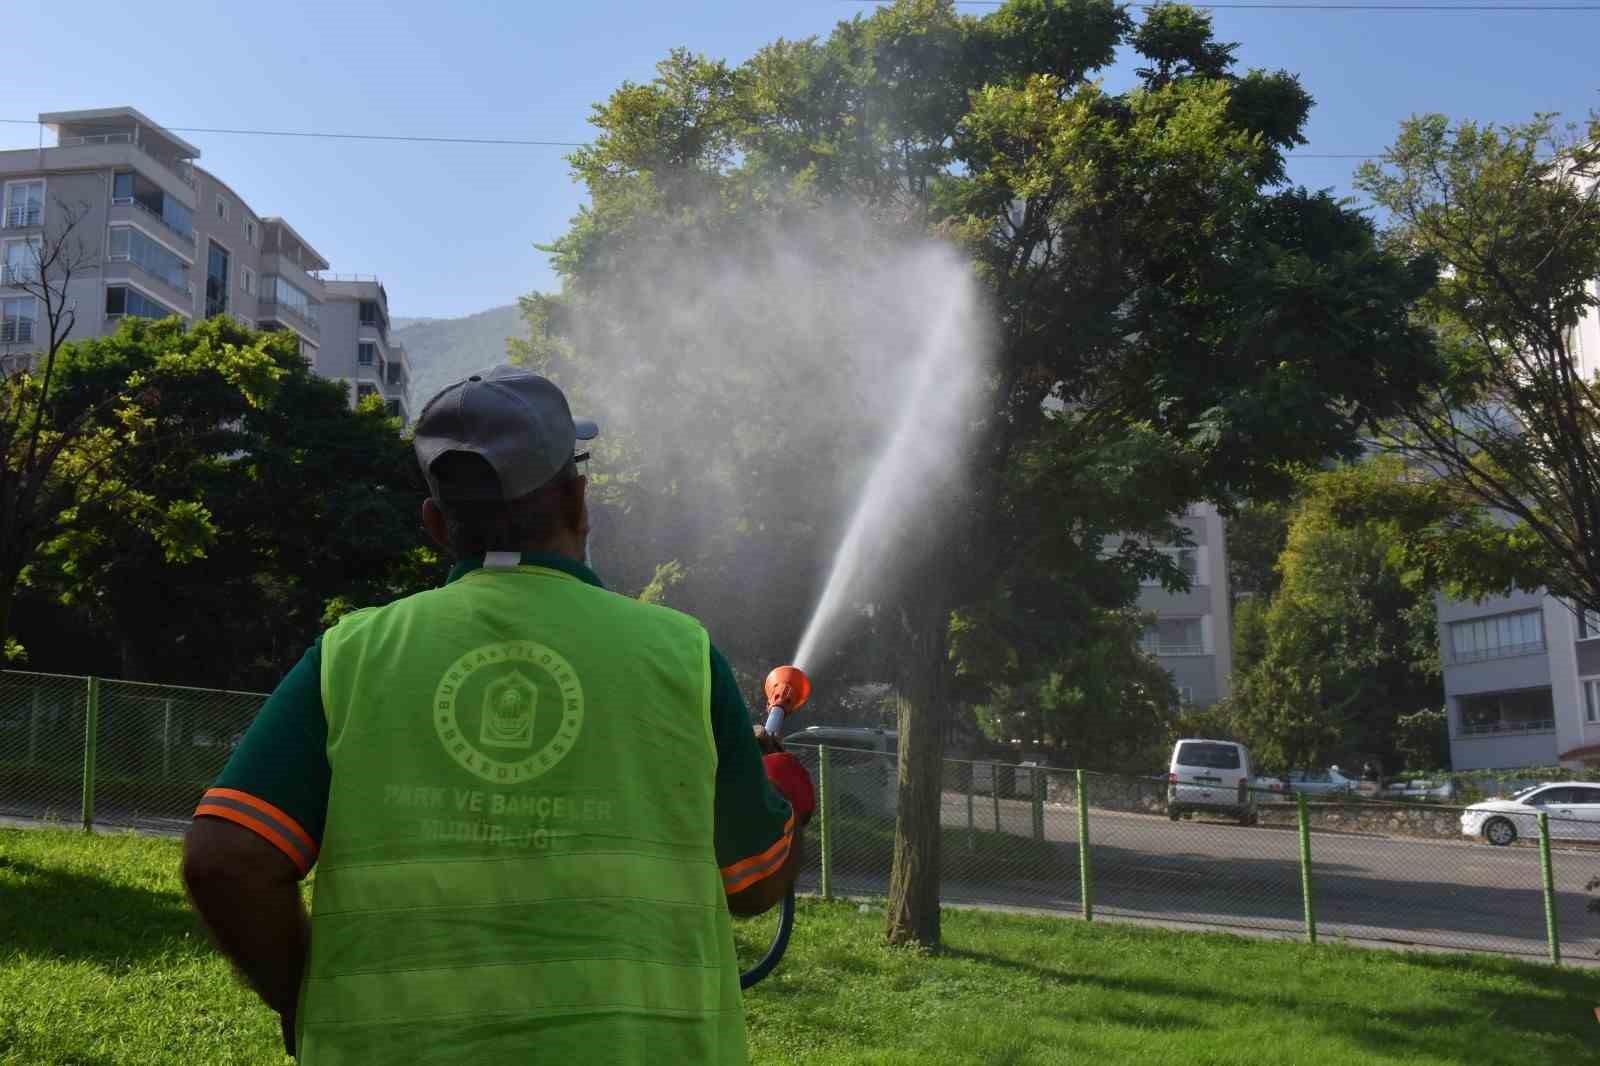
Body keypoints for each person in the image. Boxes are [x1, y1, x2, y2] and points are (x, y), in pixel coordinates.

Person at [181, 366, 814, 1065]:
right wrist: (789, 798)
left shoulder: (351, 656)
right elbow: (755, 882)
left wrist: (305, 998)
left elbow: (225, 860)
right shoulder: (682, 656)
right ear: (578, 500)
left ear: (433, 525)